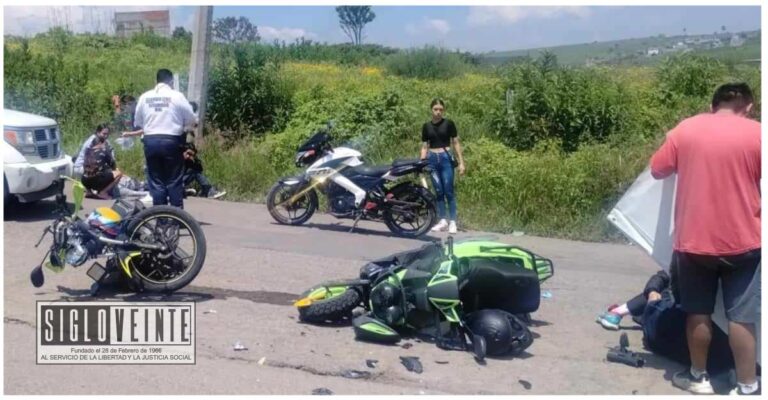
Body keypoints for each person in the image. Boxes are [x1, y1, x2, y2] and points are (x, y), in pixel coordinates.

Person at [649, 82, 761, 395]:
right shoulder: (758, 133)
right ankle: (748, 385)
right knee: (742, 317)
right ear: (748, 107)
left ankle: (698, 377)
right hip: (744, 242)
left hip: (694, 242)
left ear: (713, 105)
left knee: (698, 311)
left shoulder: (685, 130)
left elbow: (658, 170)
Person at [597, 270, 739, 381]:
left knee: (666, 292)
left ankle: (618, 311)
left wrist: (652, 292)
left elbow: (663, 275)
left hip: (668, 330)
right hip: (730, 351)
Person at [134, 68, 197, 208]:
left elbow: (138, 121)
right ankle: (177, 218)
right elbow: (192, 119)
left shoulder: (145, 97)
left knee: (156, 181)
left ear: (156, 81)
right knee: (174, 180)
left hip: (150, 141)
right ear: (171, 81)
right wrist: (184, 126)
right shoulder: (177, 96)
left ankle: (161, 218)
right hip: (172, 141)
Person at [419, 98, 465, 234]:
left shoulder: (449, 124)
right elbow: (424, 146)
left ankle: (452, 221)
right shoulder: (426, 126)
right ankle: (442, 220)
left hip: (445, 158)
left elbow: (456, 143)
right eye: (435, 109)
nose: (438, 112)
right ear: (431, 110)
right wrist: (421, 162)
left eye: (440, 109)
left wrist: (461, 162)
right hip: (432, 159)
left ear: (443, 110)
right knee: (438, 191)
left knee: (448, 190)